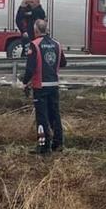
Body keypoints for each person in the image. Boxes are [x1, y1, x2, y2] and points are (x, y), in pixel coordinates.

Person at [22, 18, 66, 154]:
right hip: (54, 85)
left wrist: (24, 82)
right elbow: (63, 63)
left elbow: (30, 68)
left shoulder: (34, 45)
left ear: (35, 31)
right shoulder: (57, 44)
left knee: (42, 117)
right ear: (46, 29)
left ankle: (43, 146)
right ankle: (58, 144)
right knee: (55, 115)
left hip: (40, 87)